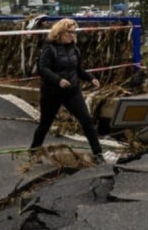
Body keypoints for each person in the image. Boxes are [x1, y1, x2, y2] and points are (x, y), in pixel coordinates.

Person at [30, 18, 104, 165]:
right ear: (60, 32)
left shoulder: (74, 49)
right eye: (69, 32)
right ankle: (34, 152)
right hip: (52, 93)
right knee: (45, 123)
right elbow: (43, 69)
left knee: (86, 121)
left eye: (73, 32)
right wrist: (58, 80)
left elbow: (78, 70)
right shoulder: (49, 49)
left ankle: (98, 153)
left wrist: (90, 78)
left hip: (72, 91)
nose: (72, 35)